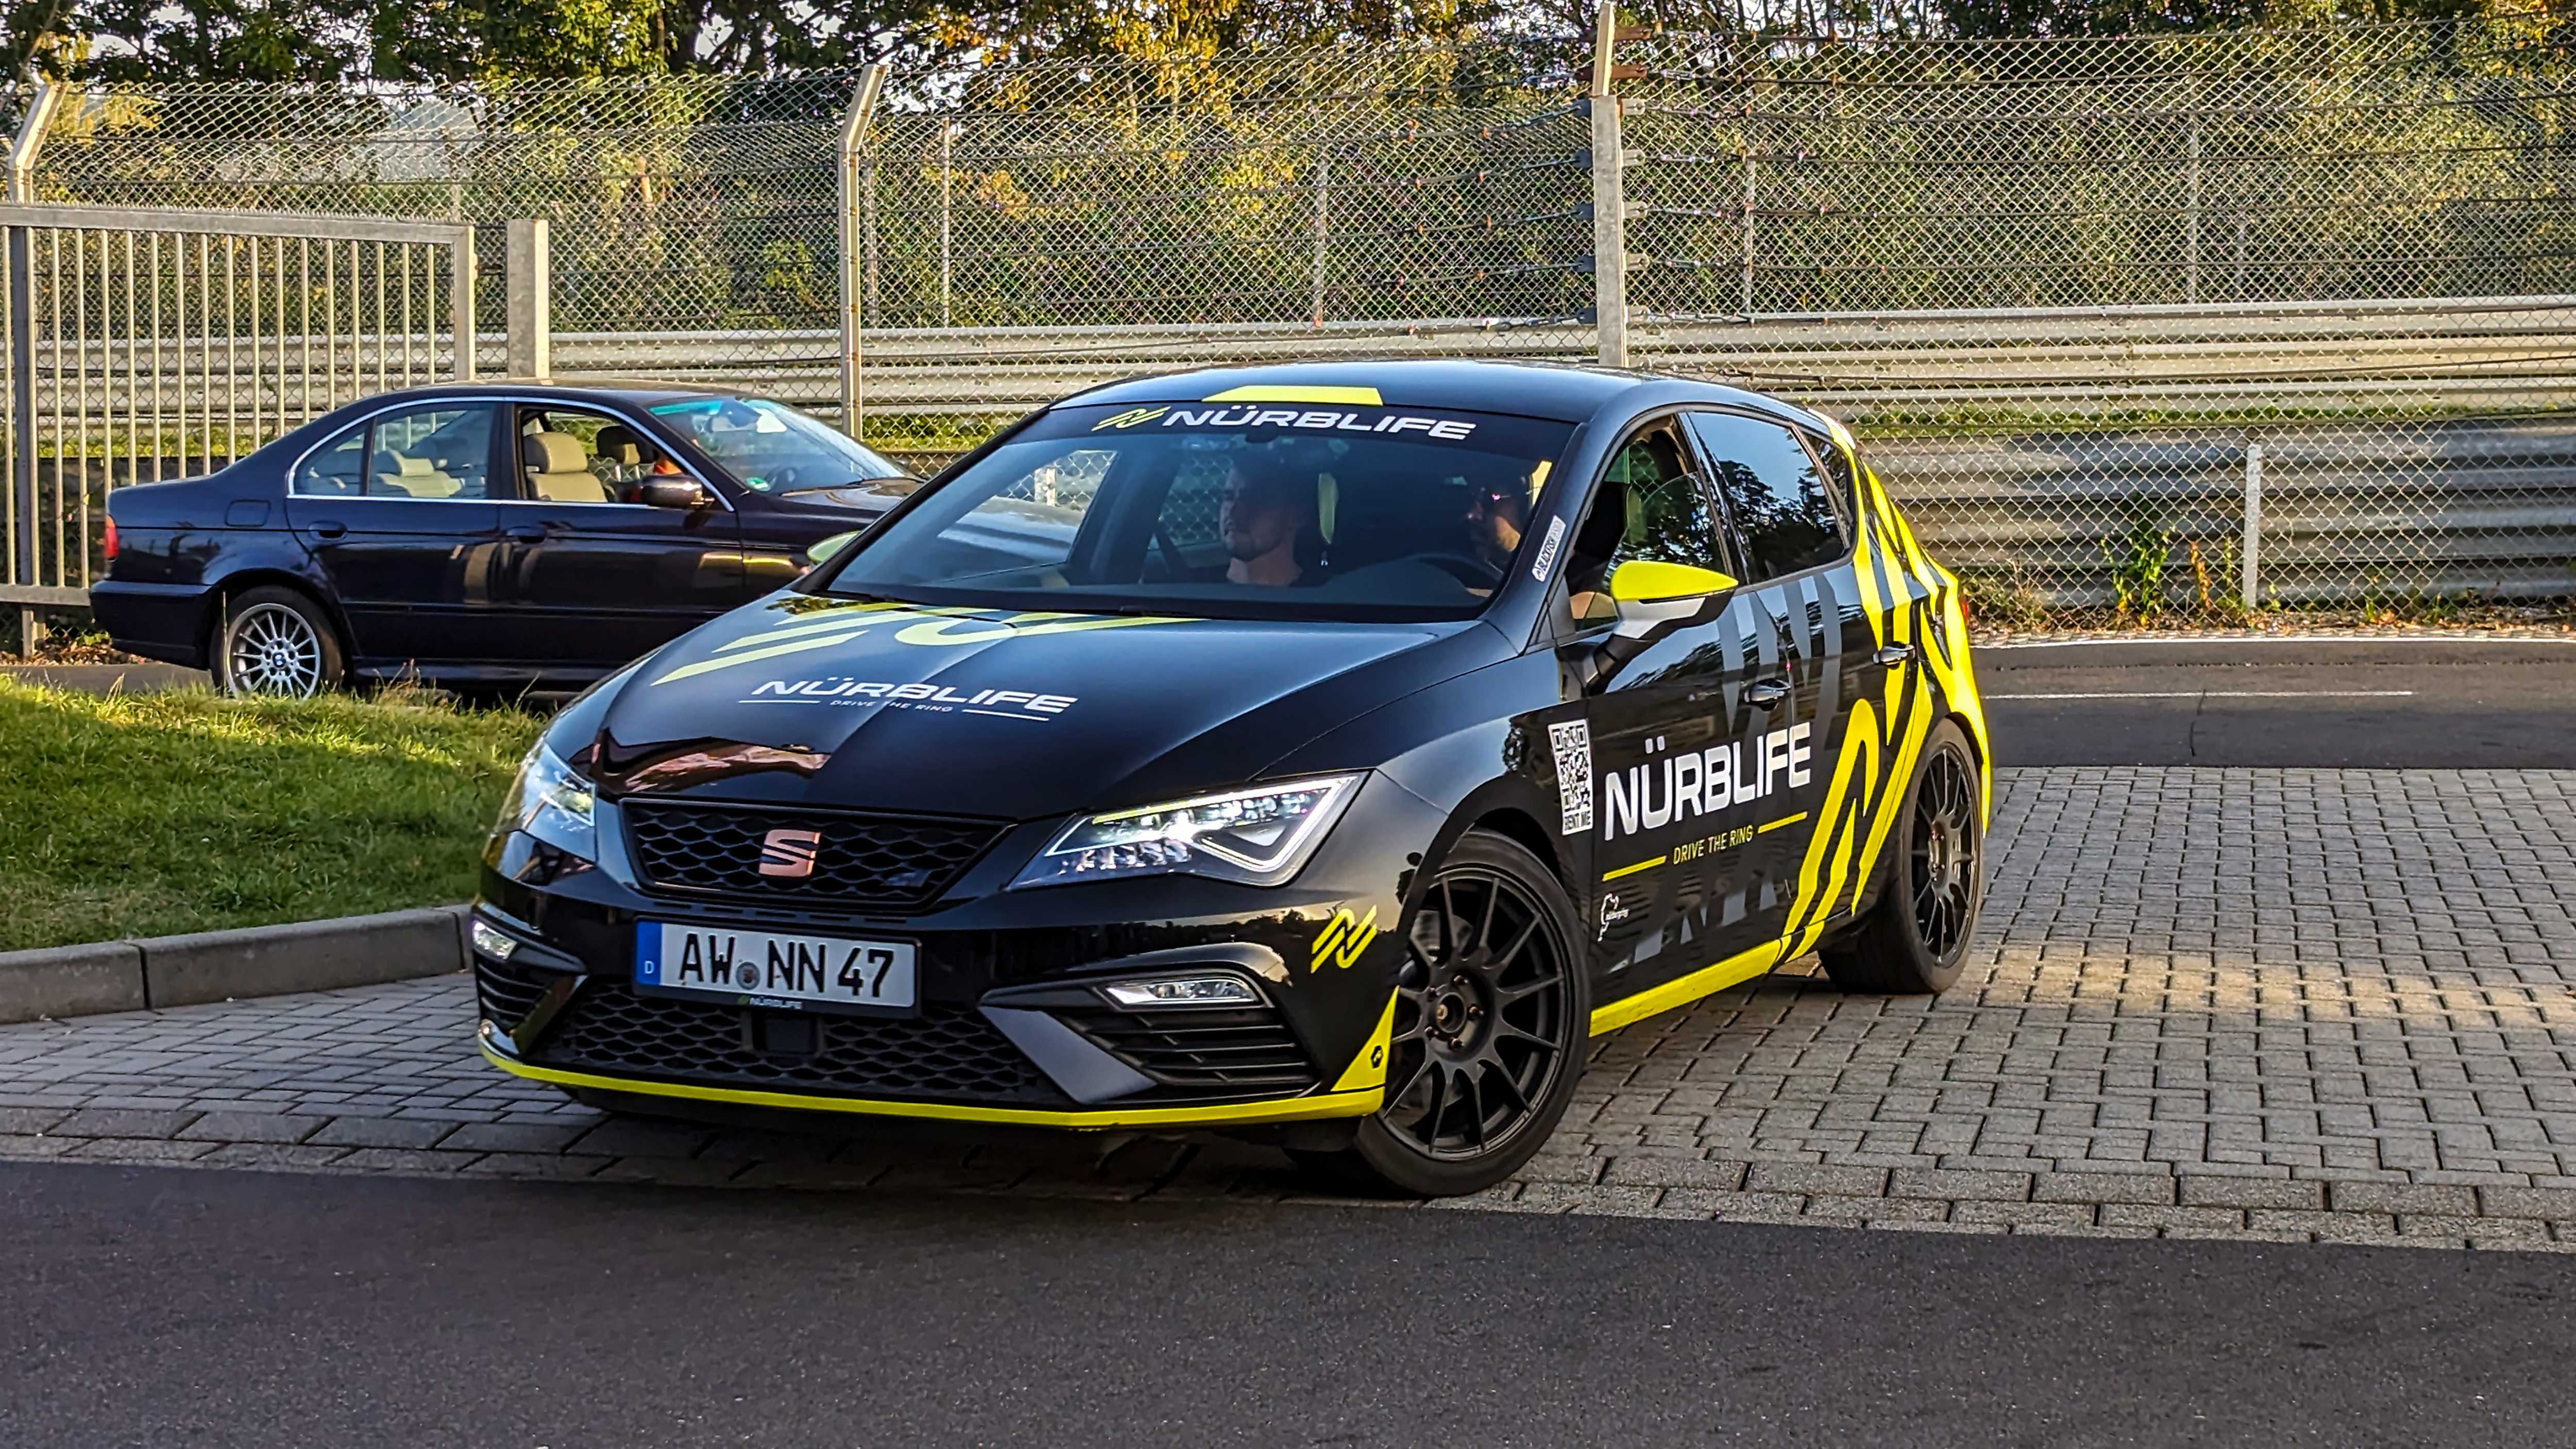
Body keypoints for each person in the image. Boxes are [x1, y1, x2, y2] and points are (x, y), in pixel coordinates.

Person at [1219, 449, 1313, 586]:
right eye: (1229, 497)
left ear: (1297, 515)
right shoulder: (1196, 590)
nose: (1233, 511)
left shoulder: (1326, 596)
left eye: (1252, 499)